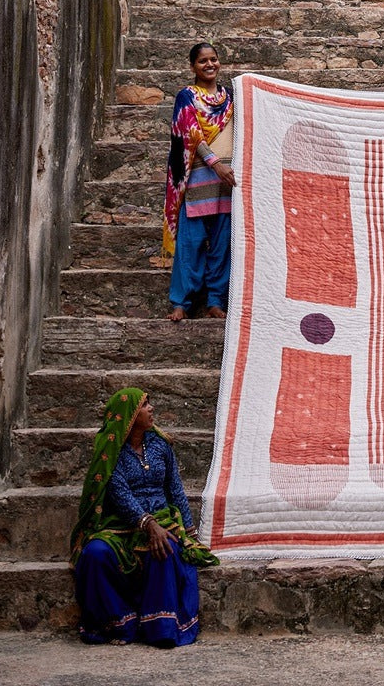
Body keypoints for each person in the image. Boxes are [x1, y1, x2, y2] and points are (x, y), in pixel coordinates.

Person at [70, 387, 218, 646]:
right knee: (94, 554)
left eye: (150, 403)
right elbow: (119, 494)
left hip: (162, 518)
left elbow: (175, 489)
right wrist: (147, 524)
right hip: (121, 524)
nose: (151, 409)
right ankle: (119, 624)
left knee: (164, 548)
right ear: (128, 416)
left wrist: (190, 533)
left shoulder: (161, 445)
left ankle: (160, 628)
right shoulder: (110, 450)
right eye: (144, 405)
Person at [163, 42, 235, 321]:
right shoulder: (187, 97)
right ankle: (182, 302)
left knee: (222, 244)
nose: (209, 65)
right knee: (190, 244)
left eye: (214, 59)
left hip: (227, 181)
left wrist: (227, 170)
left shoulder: (230, 99)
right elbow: (191, 133)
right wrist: (215, 164)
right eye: (203, 61)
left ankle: (215, 301)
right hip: (198, 178)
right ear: (192, 66)